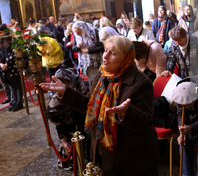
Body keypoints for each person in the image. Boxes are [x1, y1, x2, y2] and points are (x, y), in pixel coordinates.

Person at [39, 36, 159, 176]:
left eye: (112, 53)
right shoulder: (103, 75)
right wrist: (65, 92)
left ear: (126, 58)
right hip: (105, 150)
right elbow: (89, 104)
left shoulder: (141, 82)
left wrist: (126, 113)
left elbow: (146, 120)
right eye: (105, 51)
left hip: (133, 157)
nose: (105, 56)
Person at [45, 68, 90, 170]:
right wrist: (64, 141)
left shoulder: (82, 89)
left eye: (65, 81)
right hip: (69, 131)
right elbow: (58, 123)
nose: (63, 85)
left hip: (85, 129)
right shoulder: (55, 99)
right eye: (59, 81)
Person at [172, 78, 198, 176]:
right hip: (190, 126)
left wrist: (192, 127)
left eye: (188, 104)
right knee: (183, 144)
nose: (185, 106)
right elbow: (180, 114)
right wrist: (182, 131)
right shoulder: (181, 91)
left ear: (195, 98)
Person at [0, 24, 24, 111]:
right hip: (4, 67)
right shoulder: (1, 41)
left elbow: (14, 53)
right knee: (12, 85)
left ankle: (19, 102)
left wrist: (7, 64)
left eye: (1, 32)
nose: (0, 34)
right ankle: (14, 101)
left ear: (6, 31)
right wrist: (1, 64)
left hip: (12, 66)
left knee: (17, 85)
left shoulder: (11, 40)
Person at [72, 21, 103, 86]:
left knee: (98, 82)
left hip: (96, 62)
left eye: (79, 32)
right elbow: (74, 48)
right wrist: (77, 46)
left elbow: (102, 47)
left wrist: (88, 50)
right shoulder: (77, 36)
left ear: (83, 29)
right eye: (76, 32)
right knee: (91, 82)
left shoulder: (94, 33)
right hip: (86, 64)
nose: (77, 34)